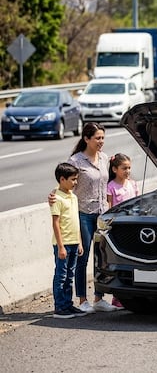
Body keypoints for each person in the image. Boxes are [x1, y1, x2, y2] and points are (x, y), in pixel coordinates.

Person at [49, 122, 118, 313]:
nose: (101, 141)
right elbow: (64, 182)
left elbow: (110, 182)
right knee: (83, 256)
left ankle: (99, 298)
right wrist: (53, 195)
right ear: (86, 139)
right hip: (84, 214)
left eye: (103, 138)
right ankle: (82, 299)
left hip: (102, 214)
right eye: (97, 138)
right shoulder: (76, 161)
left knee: (101, 257)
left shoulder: (105, 158)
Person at [50, 163, 88, 319]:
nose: (75, 183)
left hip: (73, 242)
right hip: (63, 244)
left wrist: (79, 242)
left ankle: (68, 304)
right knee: (61, 275)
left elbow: (76, 221)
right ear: (62, 179)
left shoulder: (73, 197)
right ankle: (59, 307)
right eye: (73, 180)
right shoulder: (57, 198)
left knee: (70, 275)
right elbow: (56, 223)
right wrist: (60, 247)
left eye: (76, 179)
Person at [106, 152, 140, 309]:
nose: (127, 171)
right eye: (124, 168)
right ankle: (117, 297)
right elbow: (109, 208)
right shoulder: (111, 187)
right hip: (118, 229)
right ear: (114, 169)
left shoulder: (133, 184)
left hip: (133, 228)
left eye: (129, 168)